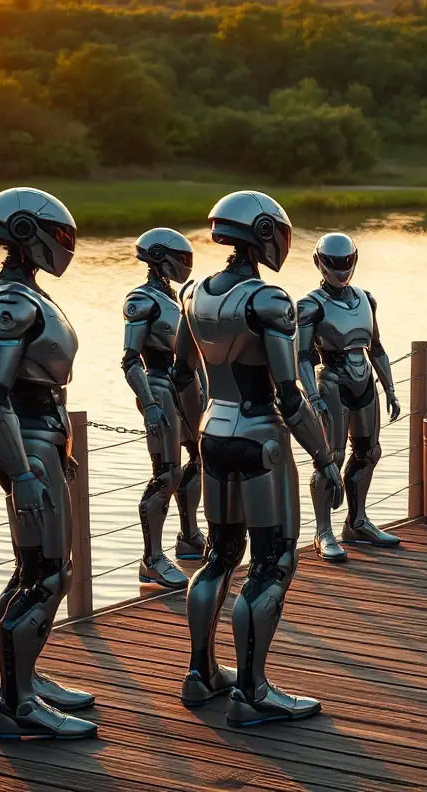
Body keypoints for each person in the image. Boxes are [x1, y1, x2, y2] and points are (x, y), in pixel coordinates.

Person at [171, 190, 344, 725]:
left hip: (213, 430)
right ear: (265, 233)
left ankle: (201, 674)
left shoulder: (193, 293)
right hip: (260, 437)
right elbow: (289, 396)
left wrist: (196, 434)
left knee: (220, 553)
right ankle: (252, 691)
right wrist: (325, 457)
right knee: (274, 560)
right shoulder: (268, 301)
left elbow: (181, 376)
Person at [0, 187, 97, 740]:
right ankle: (18, 704)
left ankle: (20, 681)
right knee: (48, 575)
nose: (64, 244)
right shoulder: (12, 303)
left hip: (41, 441)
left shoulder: (18, 293)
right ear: (27, 232)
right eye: (58, 234)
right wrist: (23, 473)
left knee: (34, 571)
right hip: (28, 444)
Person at [297, 232, 401, 562]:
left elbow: (376, 347)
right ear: (319, 262)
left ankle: (357, 521)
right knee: (331, 457)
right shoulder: (310, 305)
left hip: (364, 379)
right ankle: (323, 531)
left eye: (346, 262)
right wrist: (312, 396)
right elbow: (301, 356)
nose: (341, 268)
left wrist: (390, 388)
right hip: (331, 382)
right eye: (334, 262)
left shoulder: (366, 299)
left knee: (369, 451)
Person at [121, 228, 207, 591]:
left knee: (198, 459)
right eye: (180, 258)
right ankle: (152, 559)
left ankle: (189, 537)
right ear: (160, 257)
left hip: (186, 388)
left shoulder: (177, 298)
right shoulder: (142, 300)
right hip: (158, 386)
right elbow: (130, 360)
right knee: (165, 474)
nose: (185, 264)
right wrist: (151, 404)